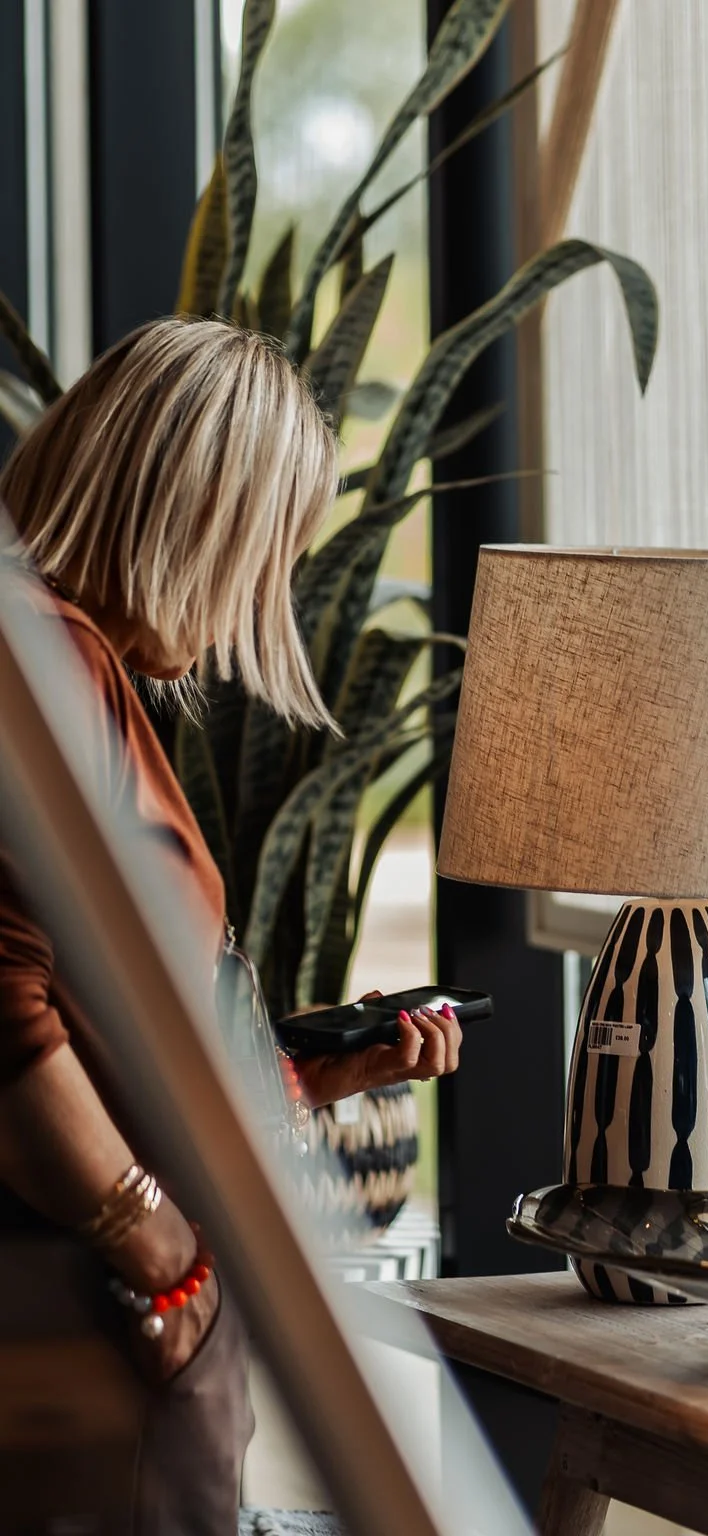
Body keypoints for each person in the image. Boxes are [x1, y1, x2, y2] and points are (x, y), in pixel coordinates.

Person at [0, 316, 461, 1534]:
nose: (276, 587)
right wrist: (162, 1257)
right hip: (93, 1311)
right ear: (193, 519)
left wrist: (313, 1068)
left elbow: (116, 1024)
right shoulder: (44, 666)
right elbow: (6, 1015)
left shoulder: (71, 663)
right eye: (270, 547)